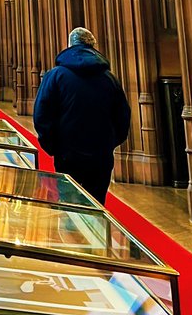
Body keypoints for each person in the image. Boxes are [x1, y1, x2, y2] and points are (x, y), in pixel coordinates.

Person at [33, 27, 131, 205]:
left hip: (68, 154)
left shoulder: (56, 76)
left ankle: (72, 233)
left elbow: (41, 115)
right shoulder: (109, 78)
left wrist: (54, 147)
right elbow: (123, 118)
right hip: (100, 155)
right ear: (93, 47)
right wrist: (108, 143)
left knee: (70, 205)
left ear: (70, 45)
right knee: (97, 204)